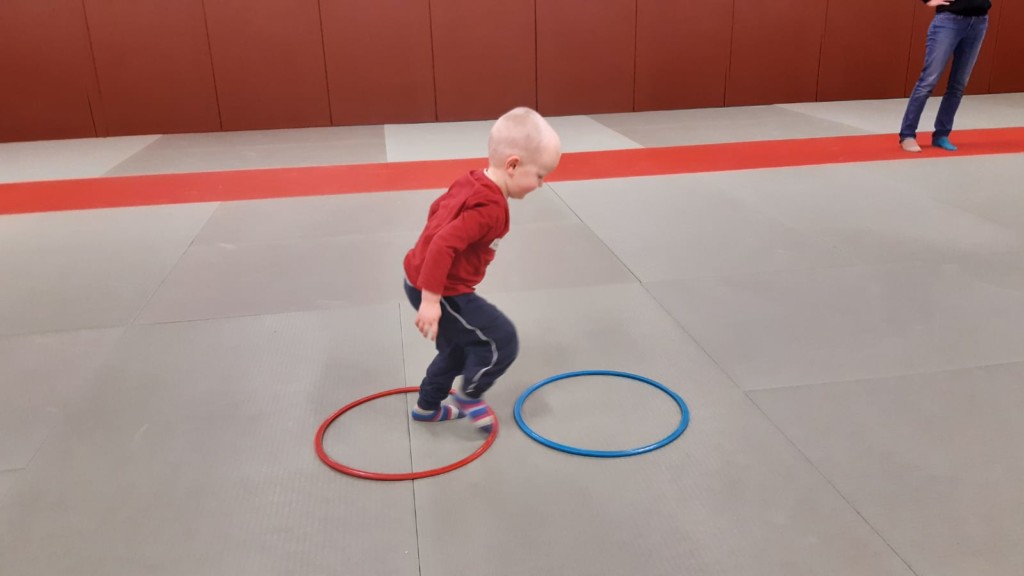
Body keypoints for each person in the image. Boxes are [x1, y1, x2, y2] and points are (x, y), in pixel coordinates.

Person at [402, 107, 562, 433]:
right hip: (441, 291)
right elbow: (443, 244)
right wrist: (431, 300)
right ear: (513, 165)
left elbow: (437, 210)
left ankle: (427, 406)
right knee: (502, 340)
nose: (542, 184)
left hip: (420, 279)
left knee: (456, 349)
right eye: (540, 175)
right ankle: (470, 396)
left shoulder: (473, 179)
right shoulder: (490, 207)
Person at [899, 0, 991, 153]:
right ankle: (907, 134)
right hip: (949, 20)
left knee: (958, 84)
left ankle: (942, 134)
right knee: (928, 81)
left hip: (979, 22)